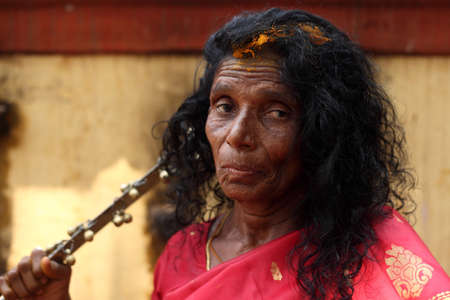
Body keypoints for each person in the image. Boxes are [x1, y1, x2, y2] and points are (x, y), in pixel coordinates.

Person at [0, 8, 449, 300]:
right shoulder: (184, 254)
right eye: (224, 107)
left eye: (275, 112)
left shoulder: (376, 253)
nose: (238, 136)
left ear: (324, 132)